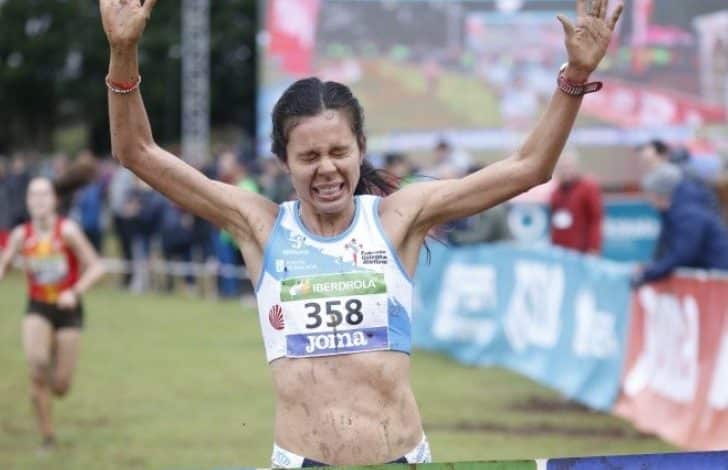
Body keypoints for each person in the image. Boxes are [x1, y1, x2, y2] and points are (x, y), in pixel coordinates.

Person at [99, 0, 622, 465]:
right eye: (308, 156)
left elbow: (529, 167)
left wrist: (574, 76)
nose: (326, 168)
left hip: (402, 457)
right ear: (283, 161)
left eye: (338, 152)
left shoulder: (399, 217)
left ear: (361, 149)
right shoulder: (258, 224)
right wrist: (123, 54)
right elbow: (138, 153)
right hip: (300, 460)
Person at [0, 178, 105, 450]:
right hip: (38, 306)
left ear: (54, 200)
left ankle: (49, 376)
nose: (38, 200)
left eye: (44, 194)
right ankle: (47, 436)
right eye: (33, 195)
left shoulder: (67, 231)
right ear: (27, 202)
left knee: (60, 386)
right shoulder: (21, 235)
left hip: (67, 308)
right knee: (36, 365)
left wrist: (76, 291)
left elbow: (97, 267)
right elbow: (5, 263)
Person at [632, 163, 728, 287]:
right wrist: (653, 267)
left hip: (719, 274)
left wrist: (650, 273)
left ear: (660, 194)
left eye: (650, 195)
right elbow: (666, 247)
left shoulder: (688, 213)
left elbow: (684, 253)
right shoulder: (673, 211)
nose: (649, 201)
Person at [549, 149, 603, 254]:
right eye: (562, 167)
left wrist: (593, 248)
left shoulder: (588, 188)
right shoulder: (555, 192)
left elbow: (595, 220)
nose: (565, 171)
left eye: (568, 167)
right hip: (561, 251)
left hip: (582, 252)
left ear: (575, 167)